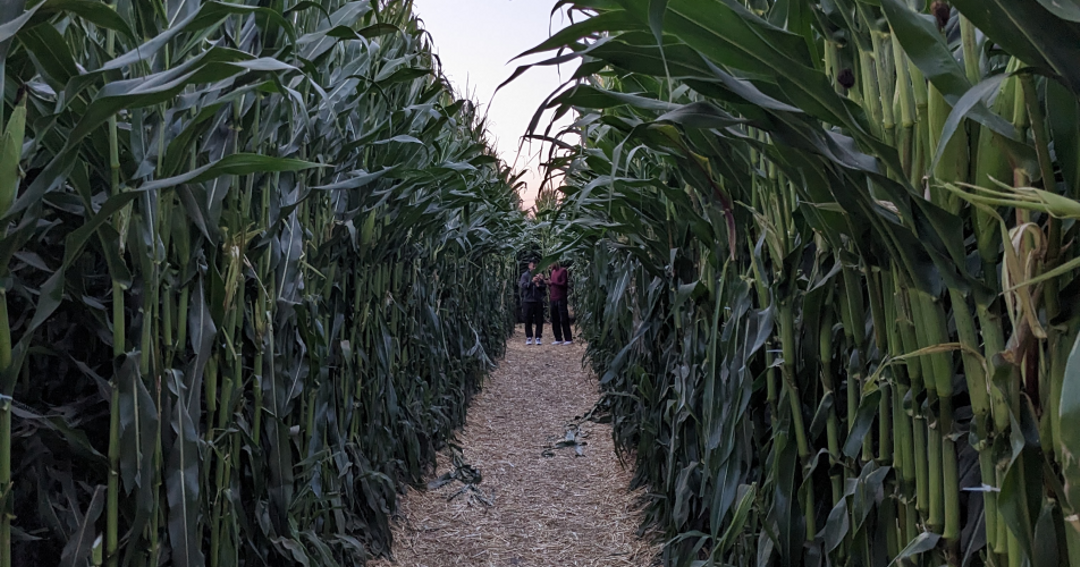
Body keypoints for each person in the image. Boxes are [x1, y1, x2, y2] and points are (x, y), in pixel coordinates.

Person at [518, 260, 547, 345]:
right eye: (532, 266)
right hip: (528, 301)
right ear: (529, 266)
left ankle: (538, 337)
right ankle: (529, 337)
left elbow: (544, 288)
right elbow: (523, 285)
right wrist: (531, 282)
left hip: (538, 301)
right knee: (528, 319)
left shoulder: (540, 275)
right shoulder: (525, 275)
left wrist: (539, 284)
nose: (534, 268)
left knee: (539, 320)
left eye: (535, 266)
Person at [548, 261, 572, 345]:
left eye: (550, 263)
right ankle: (558, 338)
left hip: (561, 298)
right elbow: (552, 285)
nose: (549, 265)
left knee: (563, 318)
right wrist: (547, 282)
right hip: (553, 298)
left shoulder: (563, 271)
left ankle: (568, 338)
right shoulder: (553, 272)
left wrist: (552, 283)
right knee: (555, 319)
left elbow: (563, 283)